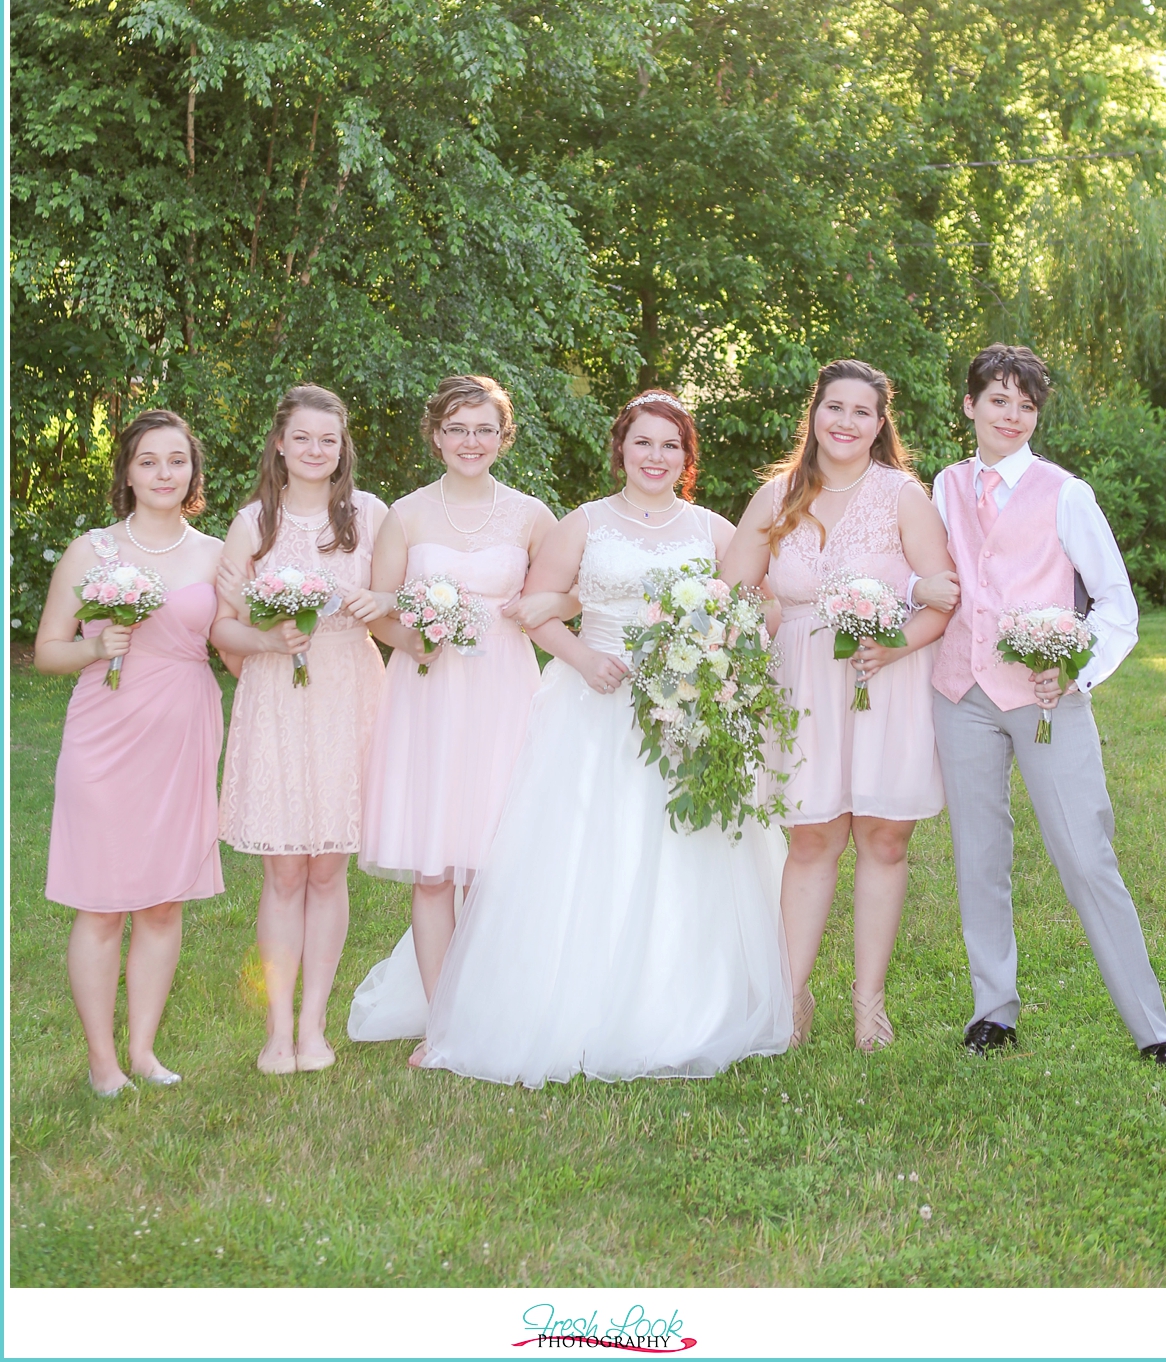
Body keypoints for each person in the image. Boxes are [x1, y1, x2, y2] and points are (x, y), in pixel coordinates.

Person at [409, 392, 791, 1086]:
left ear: (686, 457)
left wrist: (721, 656)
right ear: (621, 449)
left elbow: (752, 601)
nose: (655, 457)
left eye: (670, 446)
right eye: (642, 443)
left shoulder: (710, 528)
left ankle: (678, 1005)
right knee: (584, 856)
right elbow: (535, 609)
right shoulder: (584, 523)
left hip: (684, 712)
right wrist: (584, 660)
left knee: (682, 860)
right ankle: (565, 1002)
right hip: (591, 704)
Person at [915, 343, 1166, 1066]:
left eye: (1026, 405)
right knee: (979, 854)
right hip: (960, 690)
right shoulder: (941, 486)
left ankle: (1152, 1026)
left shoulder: (1067, 494)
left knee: (1084, 853)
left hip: (1042, 694)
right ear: (970, 405)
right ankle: (992, 1012)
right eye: (998, 400)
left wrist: (1076, 673)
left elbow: (1117, 605)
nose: (1012, 415)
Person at [722, 359, 954, 1053]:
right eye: (835, 408)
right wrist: (750, 627)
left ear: (880, 424)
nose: (846, 422)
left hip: (883, 679)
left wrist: (896, 645)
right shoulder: (776, 498)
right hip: (802, 687)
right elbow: (733, 589)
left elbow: (942, 597)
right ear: (814, 414)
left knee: (885, 838)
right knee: (813, 838)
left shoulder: (903, 496)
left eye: (862, 411)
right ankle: (791, 997)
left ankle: (868, 1004)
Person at [349, 375, 574, 1042]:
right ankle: (442, 1021)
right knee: (434, 864)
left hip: (505, 690)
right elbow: (378, 610)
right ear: (436, 436)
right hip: (429, 693)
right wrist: (416, 641)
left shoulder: (532, 515)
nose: (469, 441)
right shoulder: (407, 514)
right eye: (456, 428)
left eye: (483, 429)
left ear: (503, 437)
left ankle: (491, 1010)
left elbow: (571, 596)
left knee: (494, 859)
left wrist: (548, 605)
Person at [35, 410, 225, 1095]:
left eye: (176, 461)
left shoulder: (215, 552)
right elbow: (49, 647)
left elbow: (230, 642)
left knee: (164, 902)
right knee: (102, 902)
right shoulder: (92, 552)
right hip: (105, 734)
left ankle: (142, 1051)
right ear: (127, 472)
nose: (163, 473)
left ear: (193, 473)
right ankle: (102, 1061)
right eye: (149, 461)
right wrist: (93, 647)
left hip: (184, 728)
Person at [213, 384, 387, 1076]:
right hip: (278, 695)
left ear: (342, 447)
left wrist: (382, 600)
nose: (317, 450)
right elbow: (223, 624)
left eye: (329, 439)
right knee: (284, 871)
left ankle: (315, 1026)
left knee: (327, 867)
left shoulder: (369, 516)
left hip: (348, 689)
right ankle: (277, 1030)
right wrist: (267, 637)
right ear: (279, 444)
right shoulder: (254, 522)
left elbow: (394, 596)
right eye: (304, 438)